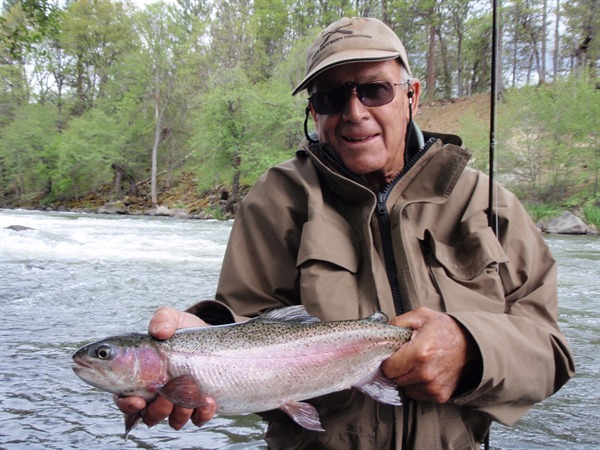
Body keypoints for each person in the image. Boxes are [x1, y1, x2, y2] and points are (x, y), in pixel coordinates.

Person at [117, 17, 574, 449]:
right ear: (314, 111)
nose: (354, 112)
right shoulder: (276, 201)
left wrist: (473, 350)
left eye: (375, 90)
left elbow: (552, 355)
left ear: (411, 96)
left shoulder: (490, 205)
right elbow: (245, 329)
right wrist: (197, 348)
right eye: (332, 98)